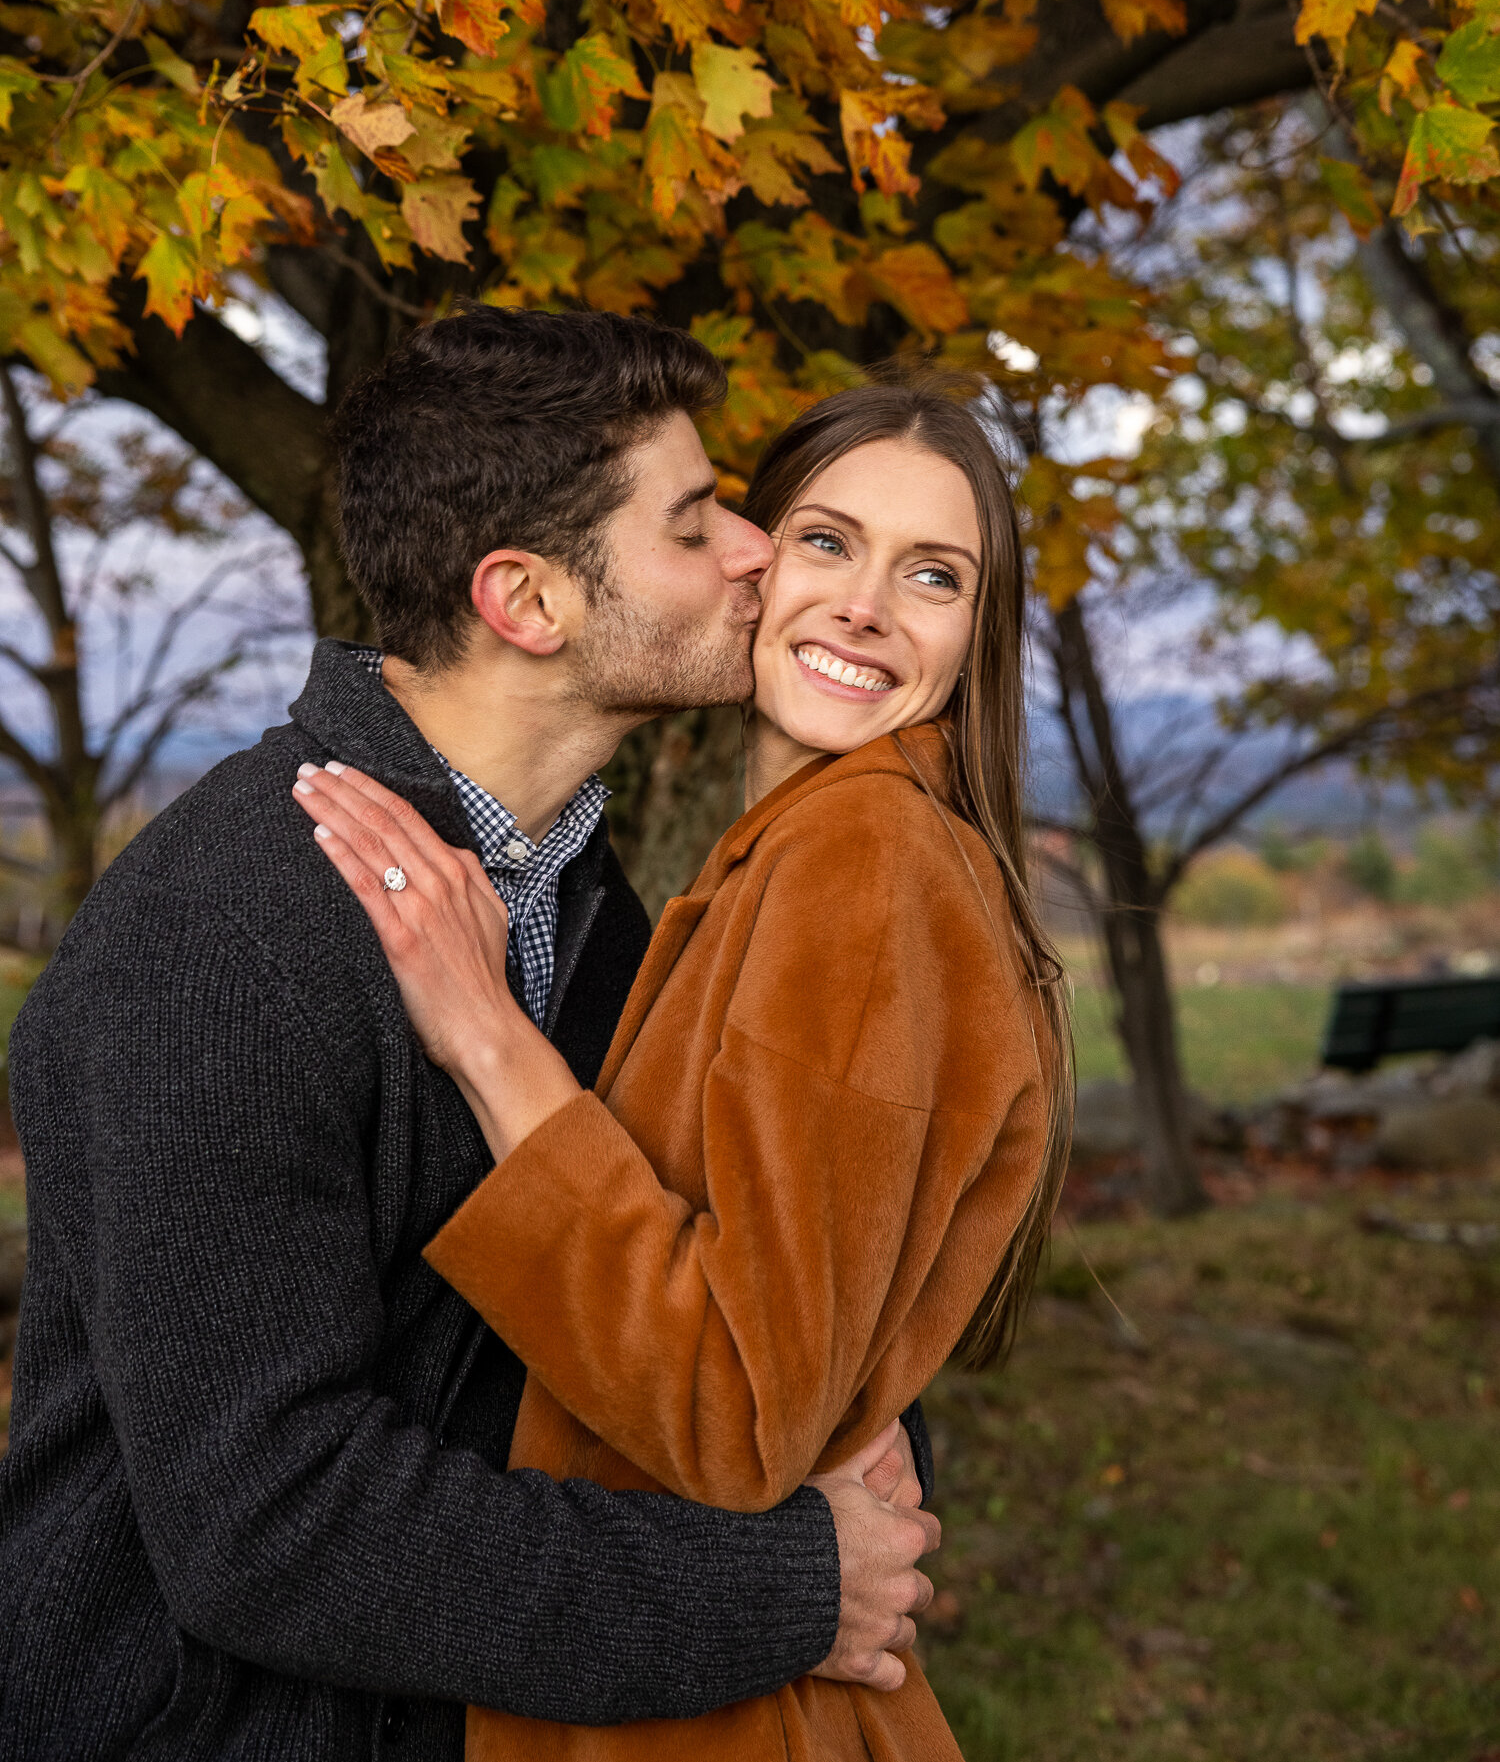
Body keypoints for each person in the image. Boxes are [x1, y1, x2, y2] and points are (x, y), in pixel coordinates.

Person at [0, 310, 939, 1762]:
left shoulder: (592, 909)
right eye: (696, 524)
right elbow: (271, 1519)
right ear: (528, 600)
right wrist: (785, 1581)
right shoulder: (223, 940)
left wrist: (855, 1442)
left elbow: (694, 1287)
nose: (761, 550)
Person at [295, 374, 1076, 1762]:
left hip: (711, 1712)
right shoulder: (818, 848)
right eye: (829, 542)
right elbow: (798, 1338)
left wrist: (485, 1034)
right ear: (753, 565)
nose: (864, 607)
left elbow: (732, 1403)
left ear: (976, 632)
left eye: (934, 575)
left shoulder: (861, 858)